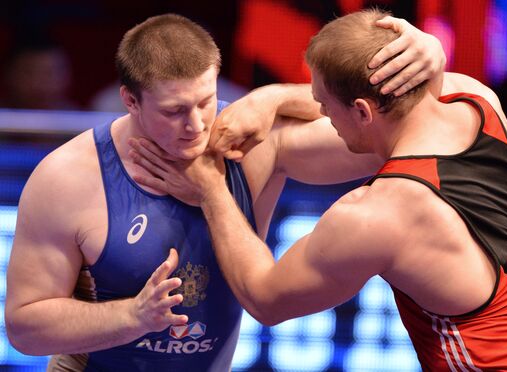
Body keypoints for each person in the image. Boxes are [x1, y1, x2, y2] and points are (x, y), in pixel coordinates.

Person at [4, 12, 445, 371]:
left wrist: (271, 98)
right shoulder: (68, 177)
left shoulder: (251, 145)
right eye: (174, 111)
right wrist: (131, 317)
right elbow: (25, 328)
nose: (195, 125)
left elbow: (387, 133)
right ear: (131, 101)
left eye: (205, 101)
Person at [130, 9, 507, 370]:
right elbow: (380, 86)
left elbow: (266, 299)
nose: (323, 117)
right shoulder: (476, 100)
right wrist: (272, 99)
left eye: (325, 107)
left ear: (363, 113)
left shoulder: (378, 213)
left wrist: (210, 189)